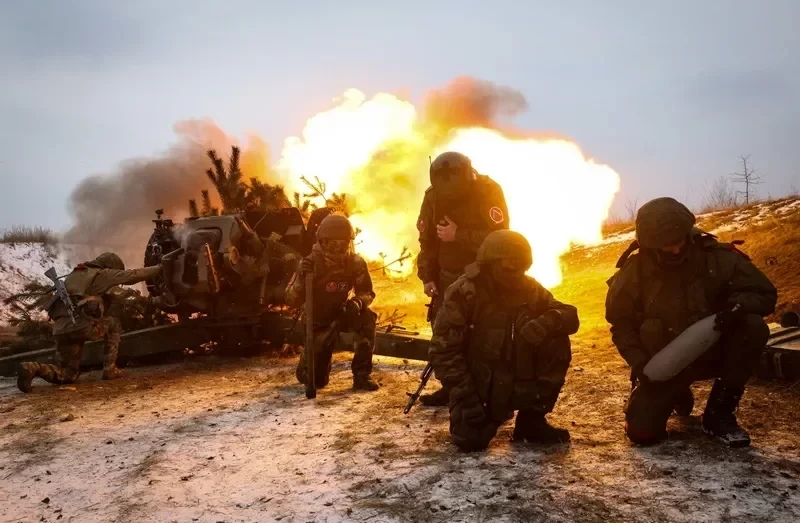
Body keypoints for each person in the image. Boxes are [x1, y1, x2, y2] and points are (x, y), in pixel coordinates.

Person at [605, 197, 777, 447]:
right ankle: (675, 393)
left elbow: (763, 293)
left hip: (713, 351)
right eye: (667, 245)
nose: (676, 249)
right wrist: (640, 364)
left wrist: (737, 307)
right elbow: (620, 324)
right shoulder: (634, 273)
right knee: (642, 434)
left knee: (752, 326)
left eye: (680, 241)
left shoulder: (717, 257)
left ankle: (719, 413)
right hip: (664, 361)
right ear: (649, 244)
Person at [429, 230, 578, 452]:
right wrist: (466, 397)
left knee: (557, 341)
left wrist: (547, 322)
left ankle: (532, 420)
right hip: (480, 385)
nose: (515, 270)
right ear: (491, 263)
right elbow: (443, 352)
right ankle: (486, 413)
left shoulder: (529, 289)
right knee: (470, 440)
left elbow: (569, 315)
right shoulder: (466, 292)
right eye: (509, 264)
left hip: (518, 376)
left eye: (520, 265)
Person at [416, 151, 509, 406]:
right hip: (446, 278)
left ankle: (486, 391)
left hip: (484, 277)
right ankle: (452, 386)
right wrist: (427, 276)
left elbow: (500, 239)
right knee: (445, 336)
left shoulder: (488, 191)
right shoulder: (433, 197)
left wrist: (459, 235)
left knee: (484, 336)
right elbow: (427, 242)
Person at [17, 252, 162, 392]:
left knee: (68, 374)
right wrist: (160, 267)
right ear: (110, 266)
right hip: (82, 326)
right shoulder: (102, 274)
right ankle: (110, 369)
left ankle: (33, 368)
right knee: (114, 324)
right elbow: (133, 275)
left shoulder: (74, 275)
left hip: (61, 329)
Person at [286, 214, 379, 391]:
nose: (338, 248)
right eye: (333, 243)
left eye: (343, 243)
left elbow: (367, 292)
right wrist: (302, 278)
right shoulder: (310, 264)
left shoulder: (355, 262)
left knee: (367, 318)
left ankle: (362, 375)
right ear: (323, 242)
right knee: (316, 381)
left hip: (342, 313)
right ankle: (307, 365)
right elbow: (291, 299)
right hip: (318, 320)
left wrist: (358, 303)